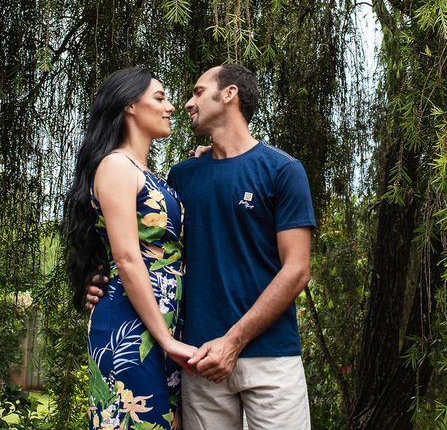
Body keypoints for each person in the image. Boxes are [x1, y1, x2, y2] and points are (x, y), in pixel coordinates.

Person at [87, 63, 315, 430]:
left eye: (197, 92)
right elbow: (143, 244)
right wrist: (102, 277)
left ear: (229, 95)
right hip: (197, 356)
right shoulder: (181, 177)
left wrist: (234, 341)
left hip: (270, 357)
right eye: (169, 97)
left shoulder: (283, 170)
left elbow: (298, 269)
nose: (185, 103)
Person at [63, 67, 199, 430]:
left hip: (162, 323)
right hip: (133, 326)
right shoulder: (116, 166)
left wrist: (206, 161)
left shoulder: (148, 173)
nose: (171, 107)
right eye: (160, 98)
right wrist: (167, 340)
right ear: (130, 106)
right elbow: (126, 258)